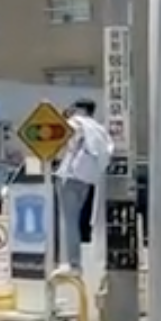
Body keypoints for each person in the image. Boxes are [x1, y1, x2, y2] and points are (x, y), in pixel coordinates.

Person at [54, 97, 112, 275]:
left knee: (68, 220)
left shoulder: (76, 123)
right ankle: (73, 262)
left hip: (70, 175)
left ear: (80, 110)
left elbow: (61, 136)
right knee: (76, 220)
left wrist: (64, 116)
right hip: (87, 178)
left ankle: (72, 263)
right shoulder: (98, 129)